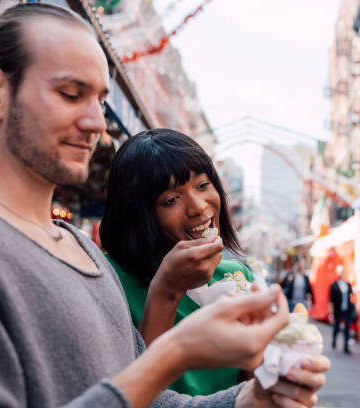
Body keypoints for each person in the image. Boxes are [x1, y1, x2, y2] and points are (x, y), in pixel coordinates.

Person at [0, 3, 328, 407]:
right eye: (70, 94)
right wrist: (175, 352)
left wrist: (253, 399)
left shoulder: (85, 253)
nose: (97, 122)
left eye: (99, 100)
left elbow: (146, 400)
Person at [99, 129, 326, 397]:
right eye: (171, 199)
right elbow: (126, 394)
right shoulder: (107, 280)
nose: (198, 207)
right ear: (140, 213)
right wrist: (167, 290)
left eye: (203, 185)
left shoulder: (237, 274)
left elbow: (253, 384)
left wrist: (280, 361)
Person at [329, 265, 353, 354]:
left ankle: (346, 346)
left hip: (347, 309)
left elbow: (351, 296)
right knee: (337, 326)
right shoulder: (334, 285)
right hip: (338, 310)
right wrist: (331, 312)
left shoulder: (347, 285)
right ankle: (334, 340)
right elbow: (331, 300)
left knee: (347, 327)